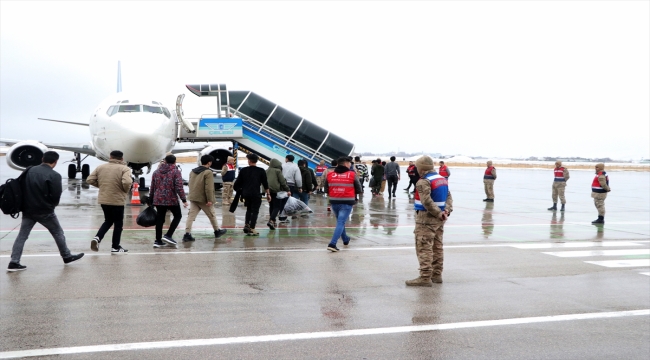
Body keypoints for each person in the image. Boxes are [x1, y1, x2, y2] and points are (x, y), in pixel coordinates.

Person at [7, 151, 84, 271]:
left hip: (28, 209)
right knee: (58, 232)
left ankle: (14, 261)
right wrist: (51, 206)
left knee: (22, 236)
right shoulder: (54, 175)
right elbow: (56, 195)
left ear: (42, 159)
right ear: (55, 162)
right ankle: (66, 256)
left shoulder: (29, 170)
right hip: (44, 211)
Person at [406, 156, 453, 286]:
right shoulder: (441, 179)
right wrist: (446, 211)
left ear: (421, 168)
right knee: (437, 247)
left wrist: (438, 213)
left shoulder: (423, 181)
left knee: (424, 247)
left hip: (426, 219)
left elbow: (426, 201)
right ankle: (437, 275)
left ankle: (425, 277)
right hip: (440, 219)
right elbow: (449, 197)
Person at [87, 150, 133, 253]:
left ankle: (97, 238)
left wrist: (103, 186)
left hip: (104, 199)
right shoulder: (125, 169)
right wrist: (125, 191)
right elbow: (127, 182)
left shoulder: (101, 167)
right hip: (117, 200)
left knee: (108, 220)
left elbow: (90, 179)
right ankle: (115, 247)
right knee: (118, 224)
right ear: (122, 159)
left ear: (110, 157)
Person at [183, 155, 227, 242]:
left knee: (191, 216)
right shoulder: (208, 172)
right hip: (203, 199)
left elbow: (190, 184)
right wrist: (210, 199)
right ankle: (217, 231)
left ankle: (187, 234)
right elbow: (209, 188)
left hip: (194, 197)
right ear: (209, 162)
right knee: (212, 215)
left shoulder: (193, 171)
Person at [325, 157, 362, 252]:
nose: (350, 165)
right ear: (346, 164)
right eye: (349, 163)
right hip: (347, 202)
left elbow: (326, 190)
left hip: (334, 202)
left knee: (340, 222)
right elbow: (359, 189)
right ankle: (332, 244)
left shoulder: (330, 174)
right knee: (341, 222)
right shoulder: (352, 174)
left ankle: (345, 239)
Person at [150, 154, 188, 247]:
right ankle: (168, 235)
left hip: (158, 199)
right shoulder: (176, 172)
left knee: (160, 219)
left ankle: (158, 241)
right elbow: (179, 187)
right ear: (175, 162)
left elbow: (153, 187)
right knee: (177, 216)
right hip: (171, 198)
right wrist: (183, 199)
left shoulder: (156, 172)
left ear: (165, 161)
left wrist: (151, 199)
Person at [234, 153, 270, 235]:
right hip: (256, 193)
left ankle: (247, 224)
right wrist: (268, 194)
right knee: (255, 211)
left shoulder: (243, 170)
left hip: (246, 194)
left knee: (249, 209)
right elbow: (265, 183)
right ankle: (252, 228)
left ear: (249, 161)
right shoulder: (261, 171)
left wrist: (240, 191)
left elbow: (237, 184)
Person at [266, 158, 291, 230]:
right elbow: (282, 181)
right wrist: (287, 190)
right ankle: (271, 220)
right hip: (276, 190)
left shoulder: (267, 170)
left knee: (271, 206)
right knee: (277, 206)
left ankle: (272, 221)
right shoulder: (278, 171)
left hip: (268, 191)